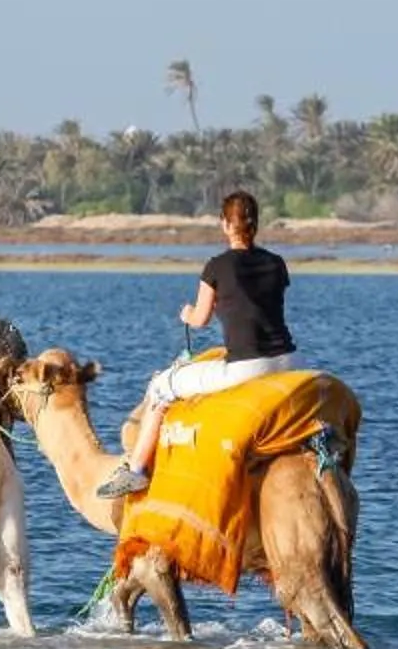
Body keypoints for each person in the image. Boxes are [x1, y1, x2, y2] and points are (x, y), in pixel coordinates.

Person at [98, 190, 296, 497]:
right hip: (286, 361)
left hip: (246, 366)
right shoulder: (277, 263)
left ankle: (135, 471)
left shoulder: (217, 266)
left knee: (162, 385)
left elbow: (201, 319)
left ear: (226, 225)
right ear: (255, 224)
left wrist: (187, 314)